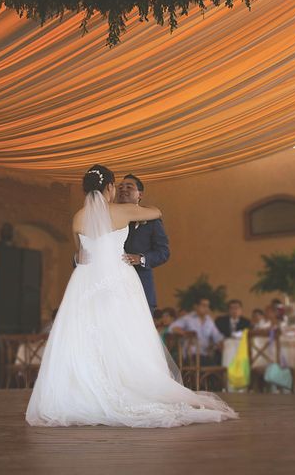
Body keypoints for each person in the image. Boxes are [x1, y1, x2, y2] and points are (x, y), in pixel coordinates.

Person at [26, 165, 236, 427]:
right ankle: (126, 388)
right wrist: (137, 208)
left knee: (90, 339)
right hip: (118, 280)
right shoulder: (123, 211)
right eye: (117, 186)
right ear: (110, 187)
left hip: (86, 282)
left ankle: (88, 393)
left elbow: (81, 254)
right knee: (127, 339)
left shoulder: (78, 218)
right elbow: (157, 211)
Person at [117, 174, 170, 312]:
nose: (123, 189)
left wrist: (141, 258)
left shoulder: (151, 219)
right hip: (114, 288)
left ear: (139, 194)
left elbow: (163, 252)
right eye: (120, 187)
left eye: (129, 187)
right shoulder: (110, 218)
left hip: (140, 288)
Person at [169, 298, 225, 366]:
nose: (206, 308)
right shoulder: (188, 318)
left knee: (222, 360)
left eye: (207, 306)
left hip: (205, 354)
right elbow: (172, 328)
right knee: (211, 365)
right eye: (204, 305)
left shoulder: (209, 320)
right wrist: (185, 333)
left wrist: (223, 344)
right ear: (196, 306)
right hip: (191, 354)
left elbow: (217, 337)